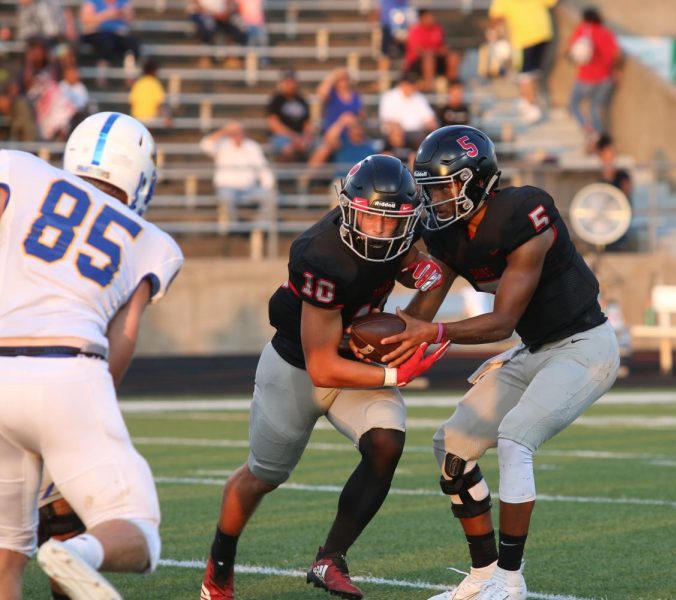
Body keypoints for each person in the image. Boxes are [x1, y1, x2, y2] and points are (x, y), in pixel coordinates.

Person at [381, 125, 619, 599]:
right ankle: (483, 575)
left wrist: (434, 333)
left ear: (476, 181)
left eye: (444, 186)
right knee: (451, 449)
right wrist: (384, 346)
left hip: (584, 345)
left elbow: (503, 320)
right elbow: (422, 311)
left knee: (515, 440)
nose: (436, 198)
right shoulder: (446, 235)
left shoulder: (525, 215)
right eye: (429, 188)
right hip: (534, 350)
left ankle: (511, 582)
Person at [198, 154, 450, 600]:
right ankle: (220, 562)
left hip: (357, 362)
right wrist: (396, 371)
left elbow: (426, 274)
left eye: (394, 224)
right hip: (298, 367)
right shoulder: (322, 253)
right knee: (262, 476)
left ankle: (329, 558)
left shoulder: (405, 236)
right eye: (371, 220)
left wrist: (415, 318)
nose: (382, 232)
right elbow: (322, 367)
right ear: (350, 209)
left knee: (386, 443)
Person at [0, 111, 183, 600]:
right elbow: (122, 335)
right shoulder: (153, 242)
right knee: (136, 529)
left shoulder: (18, 168)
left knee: (3, 563)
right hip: (67, 367)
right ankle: (77, 554)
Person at [488, 0, 558, 125]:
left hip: (525, 38)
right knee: (532, 72)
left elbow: (496, 18)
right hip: (544, 32)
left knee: (525, 74)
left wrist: (494, 34)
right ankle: (528, 102)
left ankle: (530, 105)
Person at [200, 120, 276, 234]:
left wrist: (267, 186)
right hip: (227, 186)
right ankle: (235, 229)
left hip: (249, 188)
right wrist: (223, 132)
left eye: (239, 132)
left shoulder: (252, 146)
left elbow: (263, 168)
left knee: (271, 196)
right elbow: (204, 145)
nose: (237, 135)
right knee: (226, 198)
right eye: (233, 132)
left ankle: (258, 228)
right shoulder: (222, 144)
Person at [566, 7, 619, 139]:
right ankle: (599, 139)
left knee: (573, 104)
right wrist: (616, 71)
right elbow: (616, 54)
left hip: (586, 78)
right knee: (595, 108)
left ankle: (586, 126)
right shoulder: (606, 32)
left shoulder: (583, 29)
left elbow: (572, 51)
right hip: (606, 78)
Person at [404, 9, 459, 92]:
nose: (432, 18)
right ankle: (429, 89)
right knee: (428, 57)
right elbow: (417, 50)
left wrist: (440, 51)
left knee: (453, 56)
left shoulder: (437, 29)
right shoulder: (415, 30)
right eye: (429, 17)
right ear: (422, 18)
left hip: (436, 58)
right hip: (417, 62)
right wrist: (432, 51)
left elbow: (443, 47)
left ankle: (452, 85)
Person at [266, 68, 314, 161]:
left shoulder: (301, 100)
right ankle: (288, 175)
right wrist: (294, 138)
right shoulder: (276, 100)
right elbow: (274, 124)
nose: (290, 85)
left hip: (300, 136)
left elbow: (307, 123)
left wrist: (306, 137)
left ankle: (307, 175)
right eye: (287, 82)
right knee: (288, 149)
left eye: (292, 82)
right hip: (282, 136)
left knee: (317, 147)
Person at [128, 59, 168, 124]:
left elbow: (131, 101)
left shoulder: (139, 82)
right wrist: (165, 117)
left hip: (137, 117)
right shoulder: (155, 83)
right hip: (151, 117)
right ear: (154, 71)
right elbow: (159, 103)